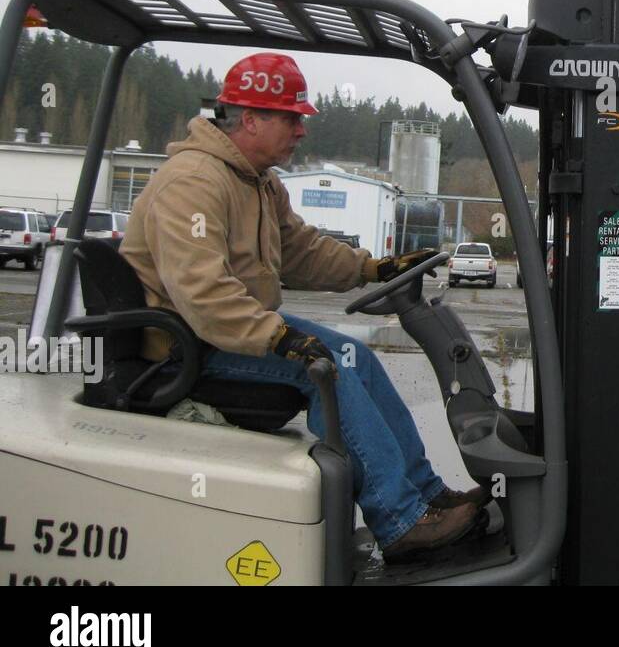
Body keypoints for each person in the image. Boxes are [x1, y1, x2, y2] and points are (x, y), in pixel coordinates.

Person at [121, 52, 484, 564]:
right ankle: (399, 522)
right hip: (190, 346)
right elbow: (200, 292)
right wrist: (279, 339)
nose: (301, 131)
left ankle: (424, 493)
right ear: (250, 119)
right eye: (292, 118)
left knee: (357, 357)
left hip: (230, 332)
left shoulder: (258, 181)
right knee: (328, 368)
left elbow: (302, 251)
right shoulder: (195, 182)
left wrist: (374, 269)